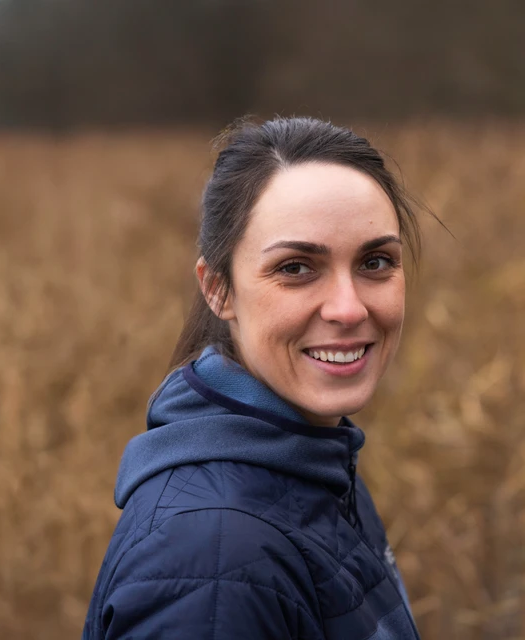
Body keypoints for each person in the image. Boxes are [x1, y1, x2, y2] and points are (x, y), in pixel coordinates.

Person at [82, 116, 424, 639]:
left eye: (375, 261)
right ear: (217, 289)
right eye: (295, 268)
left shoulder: (316, 460)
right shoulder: (215, 560)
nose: (349, 308)